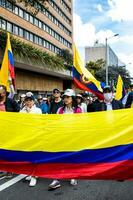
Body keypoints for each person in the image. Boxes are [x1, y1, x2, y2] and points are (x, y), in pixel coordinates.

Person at [48, 89, 82, 191]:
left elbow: (81, 125)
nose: (65, 99)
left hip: (74, 138)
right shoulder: (60, 110)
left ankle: (73, 176)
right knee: (59, 158)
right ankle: (57, 179)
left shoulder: (78, 110)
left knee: (73, 158)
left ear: (72, 99)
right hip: (62, 138)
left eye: (68, 97)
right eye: (64, 97)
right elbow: (57, 124)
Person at [20, 92, 42, 186]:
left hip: (35, 136)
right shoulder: (21, 111)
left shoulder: (38, 110)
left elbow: (39, 123)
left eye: (30, 100)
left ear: (33, 101)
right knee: (27, 156)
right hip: (26, 136)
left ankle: (34, 175)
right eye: (27, 100)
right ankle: (30, 173)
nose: (28, 102)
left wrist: (29, 114)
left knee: (35, 156)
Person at [0, 84, 20, 179]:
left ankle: (10, 170)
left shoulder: (11, 102)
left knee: (9, 150)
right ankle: (3, 168)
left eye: (1, 92)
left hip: (9, 131)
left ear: (4, 93)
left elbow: (18, 113)